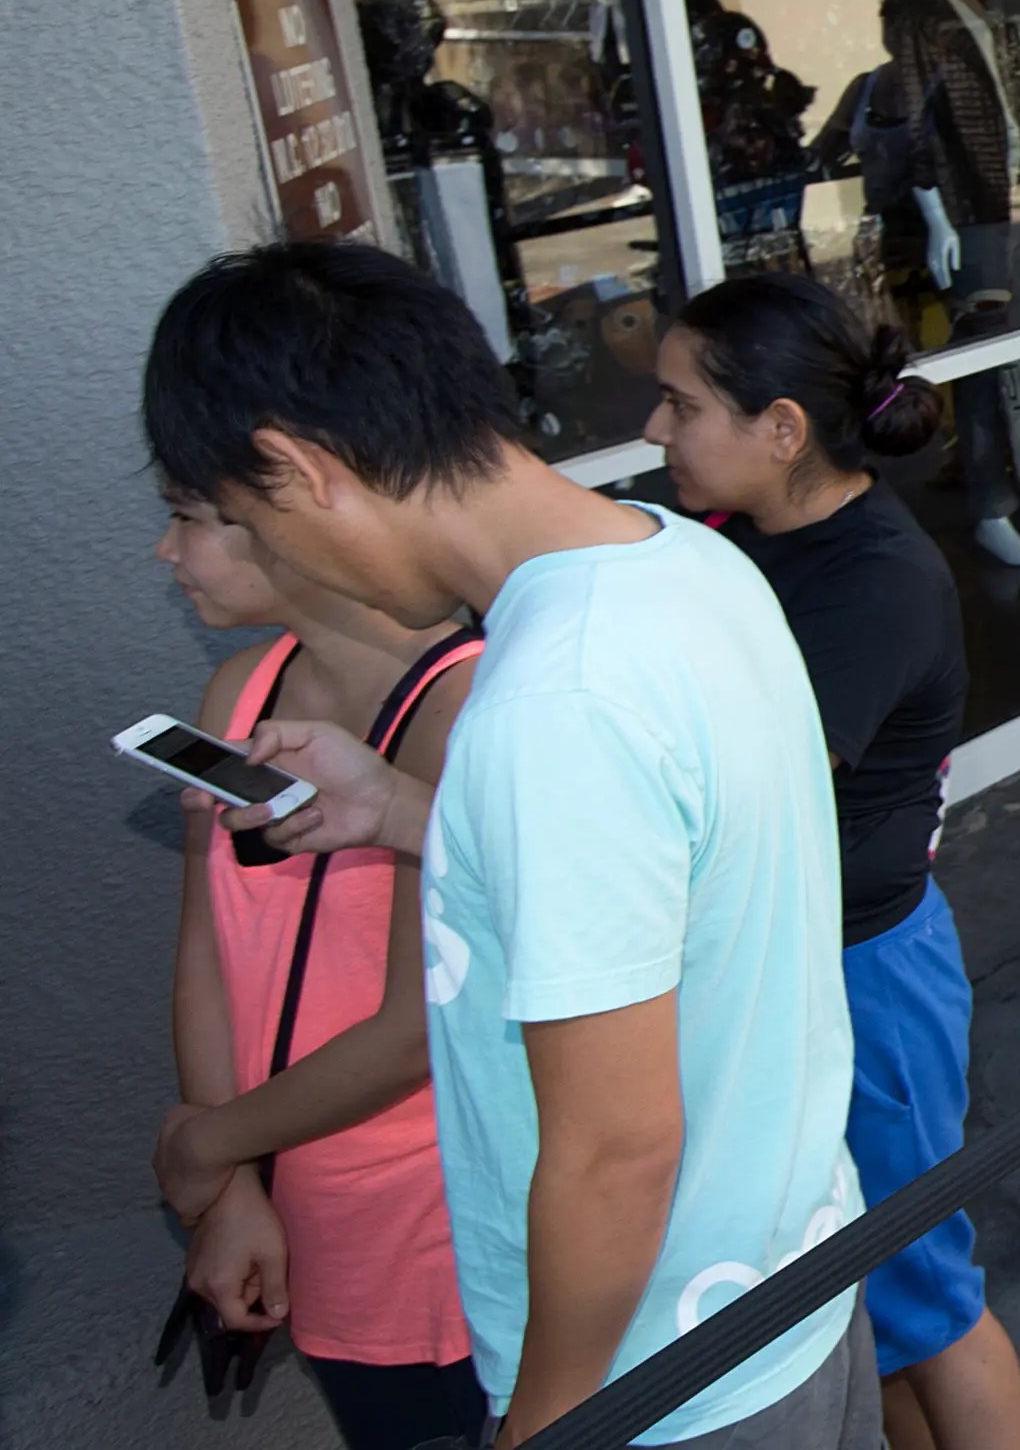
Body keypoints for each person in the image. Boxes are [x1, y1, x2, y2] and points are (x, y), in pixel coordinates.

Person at [153, 242, 875, 1447]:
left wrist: (542, 1420)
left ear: (296, 468)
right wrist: (402, 812)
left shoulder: (550, 704)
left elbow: (614, 1147)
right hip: (788, 1282)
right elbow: (671, 884)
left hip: (666, 1382)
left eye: (244, 517)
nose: (268, 557)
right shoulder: (678, 558)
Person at [640, 277, 1020, 1447]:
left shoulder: (876, 580)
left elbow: (747, 795)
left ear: (782, 428)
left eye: (678, 404)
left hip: (866, 975)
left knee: (921, 1298)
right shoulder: (731, 539)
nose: (656, 433)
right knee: (859, 1299)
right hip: (789, 968)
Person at [147, 496, 483, 1450]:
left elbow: (418, 1026)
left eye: (189, 518)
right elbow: (206, 950)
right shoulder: (238, 693)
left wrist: (209, 1149)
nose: (167, 549)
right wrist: (233, 1186)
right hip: (294, 1208)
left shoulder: (461, 708)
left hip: (434, 1227)